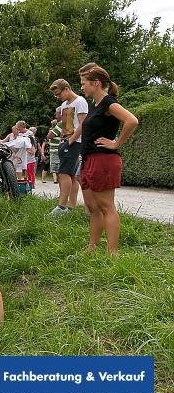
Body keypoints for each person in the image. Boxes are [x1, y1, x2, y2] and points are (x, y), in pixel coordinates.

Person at [80, 66, 138, 256]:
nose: (82, 87)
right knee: (92, 207)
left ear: (96, 83)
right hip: (89, 159)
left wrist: (116, 143)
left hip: (104, 160)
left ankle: (112, 253)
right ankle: (93, 247)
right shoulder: (94, 105)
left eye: (84, 83)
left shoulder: (108, 103)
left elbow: (131, 120)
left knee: (106, 207)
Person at [48, 79, 89, 216]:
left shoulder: (80, 102)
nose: (57, 97)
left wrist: (71, 140)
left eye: (58, 94)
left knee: (63, 173)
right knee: (71, 175)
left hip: (75, 142)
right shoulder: (65, 104)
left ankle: (61, 206)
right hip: (65, 141)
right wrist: (62, 140)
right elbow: (66, 125)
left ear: (66, 89)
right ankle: (71, 207)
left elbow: (83, 124)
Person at [47, 108, 62, 183]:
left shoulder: (61, 124)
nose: (55, 116)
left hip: (55, 150)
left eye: (56, 114)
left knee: (56, 169)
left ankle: (56, 180)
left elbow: (49, 136)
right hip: (61, 149)